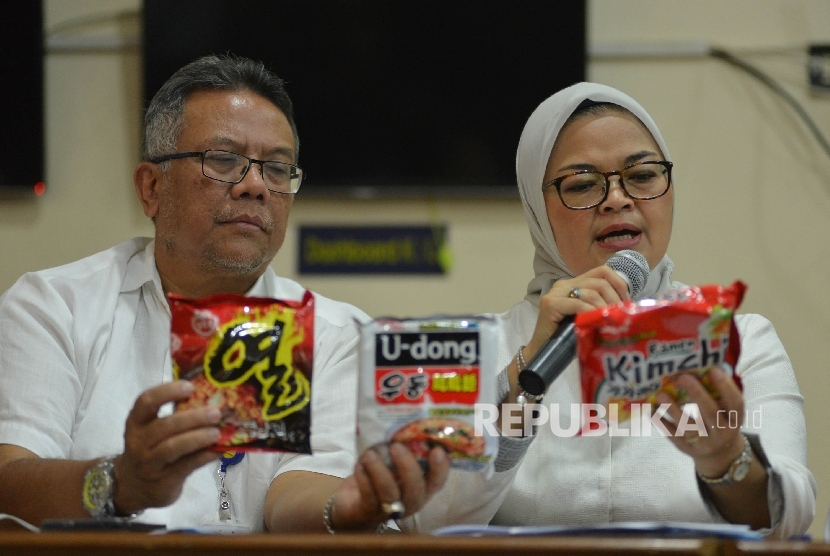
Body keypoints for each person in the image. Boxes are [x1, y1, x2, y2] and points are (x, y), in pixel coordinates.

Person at [0, 54, 448, 533]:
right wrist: (121, 483)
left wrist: (347, 507)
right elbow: (10, 481)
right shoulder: (55, 306)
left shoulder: (340, 336)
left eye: (277, 169)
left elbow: (293, 496)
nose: (255, 185)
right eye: (224, 160)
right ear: (151, 188)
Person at [399, 82, 815, 539]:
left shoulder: (740, 339)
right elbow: (430, 523)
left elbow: (789, 518)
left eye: (642, 176)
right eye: (582, 184)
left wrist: (723, 458)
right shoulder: (483, 348)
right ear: (538, 209)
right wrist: (527, 372)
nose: (618, 199)